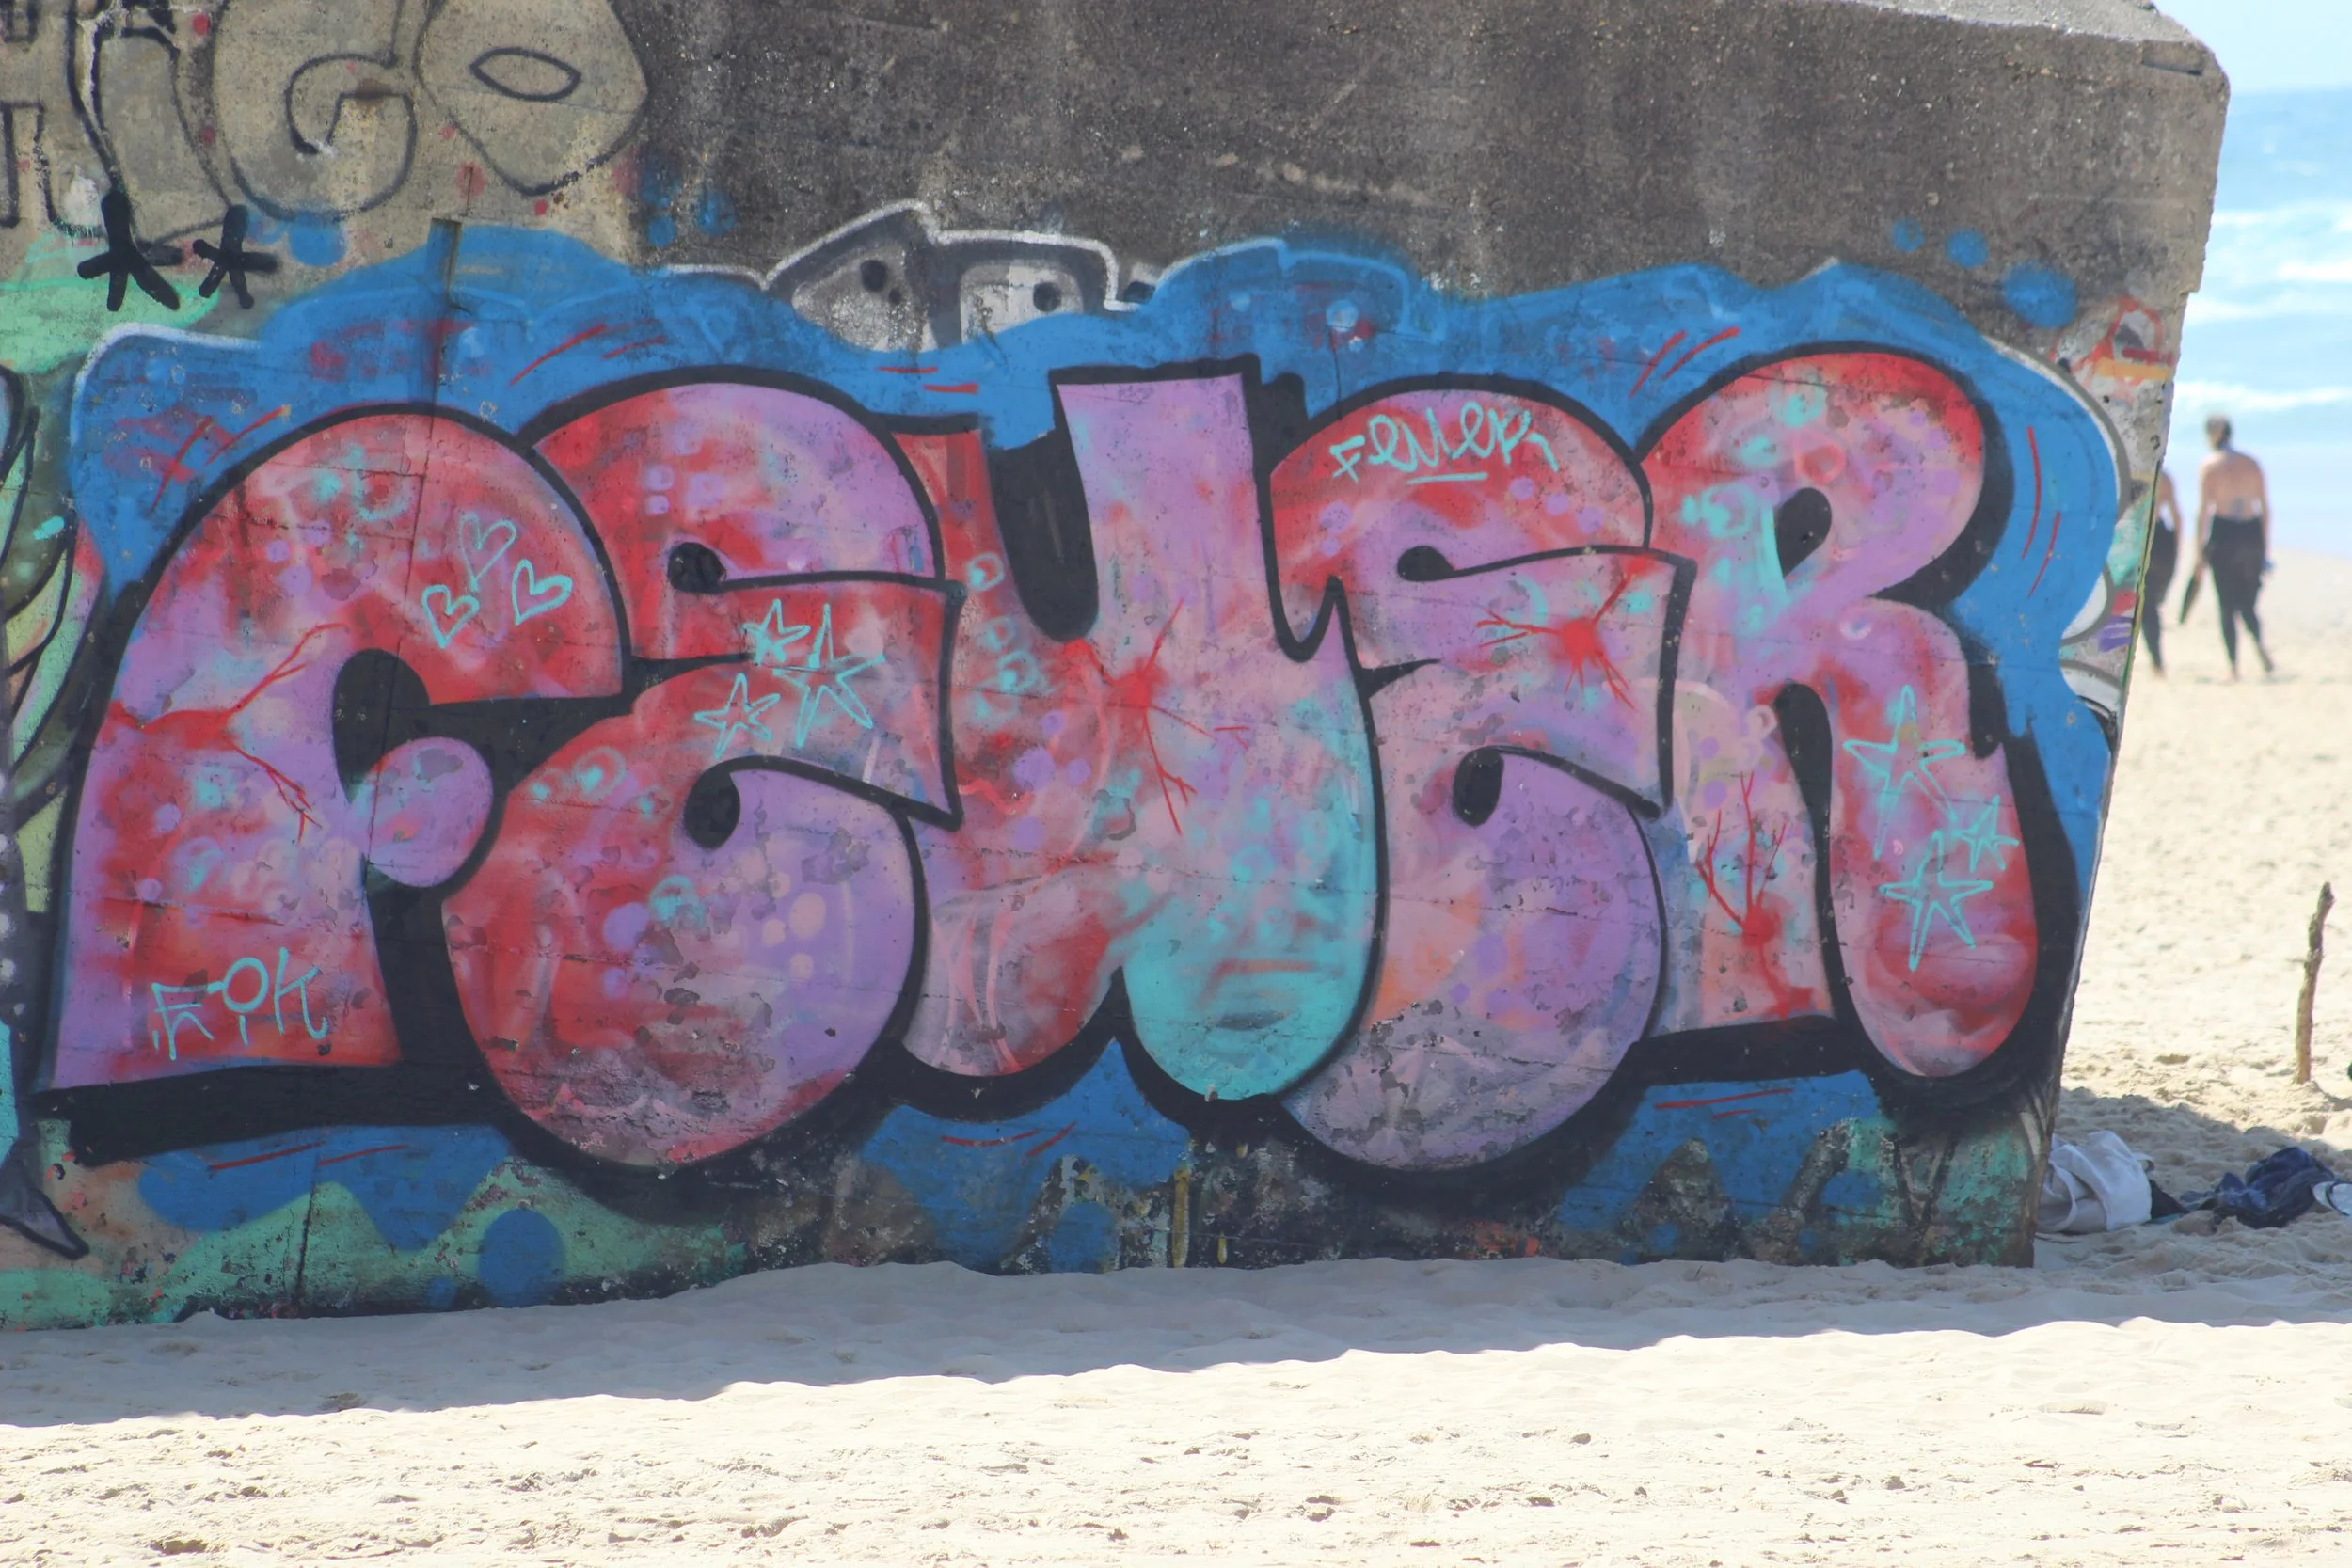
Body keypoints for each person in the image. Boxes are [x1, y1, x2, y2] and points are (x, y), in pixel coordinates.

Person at [2186, 414, 2275, 679]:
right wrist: (2264, 551)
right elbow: (2265, 509)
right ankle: (2259, 644)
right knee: (2247, 603)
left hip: (2224, 533)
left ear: (2213, 434)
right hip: (2250, 533)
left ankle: (2233, 667)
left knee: (2226, 604)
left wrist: (2198, 553)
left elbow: (2203, 512)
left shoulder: (2209, 465)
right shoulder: (2252, 463)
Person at [2138, 467, 2180, 674]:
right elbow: (2176, 516)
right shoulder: (2164, 477)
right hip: (2161, 538)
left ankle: (2156, 661)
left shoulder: (2130, 472)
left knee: (2143, 605)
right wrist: (2176, 551)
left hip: (2138, 537)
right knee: (2151, 603)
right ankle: (2157, 661)